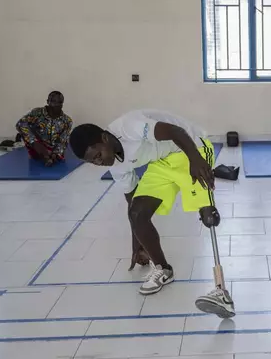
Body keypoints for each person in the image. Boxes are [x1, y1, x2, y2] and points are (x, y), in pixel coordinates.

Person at [69, 110, 234, 316]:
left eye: (98, 156)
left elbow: (176, 131)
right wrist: (137, 244)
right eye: (94, 162)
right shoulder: (117, 168)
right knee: (138, 213)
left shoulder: (129, 127)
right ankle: (163, 269)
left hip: (190, 149)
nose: (100, 163)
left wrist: (196, 160)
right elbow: (132, 204)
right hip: (161, 163)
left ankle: (221, 293)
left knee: (208, 217)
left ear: (104, 139)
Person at [16, 91, 73, 166]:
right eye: (53, 101)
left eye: (60, 102)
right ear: (47, 102)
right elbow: (20, 124)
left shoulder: (67, 121)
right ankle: (44, 156)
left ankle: (49, 158)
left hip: (53, 148)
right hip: (37, 146)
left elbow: (63, 141)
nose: (56, 104)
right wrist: (34, 142)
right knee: (27, 128)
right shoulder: (37, 113)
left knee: (58, 159)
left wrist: (56, 154)